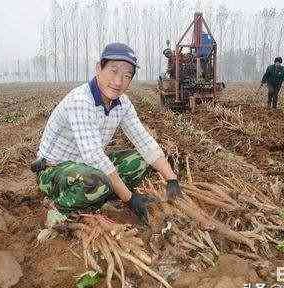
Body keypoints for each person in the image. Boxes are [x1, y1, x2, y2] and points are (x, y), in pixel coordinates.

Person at [31, 42, 182, 225]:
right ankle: (59, 206)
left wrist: (171, 179)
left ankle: (101, 195)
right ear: (98, 68)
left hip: (87, 165)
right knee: (96, 182)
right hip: (54, 170)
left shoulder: (122, 103)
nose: (118, 82)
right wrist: (130, 198)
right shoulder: (81, 101)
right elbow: (94, 156)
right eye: (113, 71)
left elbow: (143, 140)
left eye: (126, 76)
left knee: (140, 161)